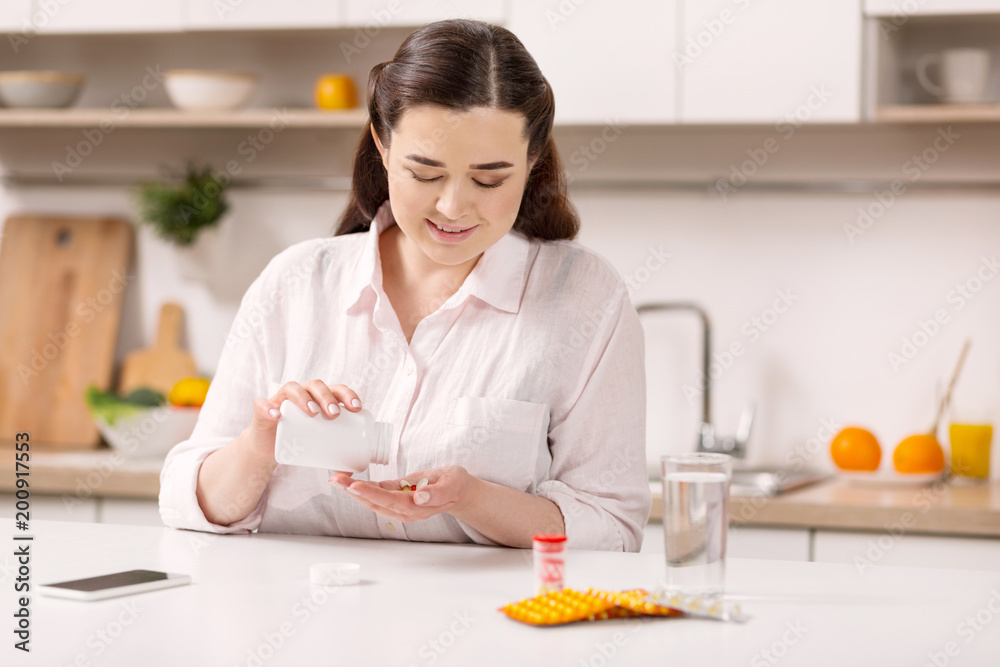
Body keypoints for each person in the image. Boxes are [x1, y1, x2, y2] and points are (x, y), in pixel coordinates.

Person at [159, 18, 650, 552]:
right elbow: (188, 500)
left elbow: (612, 529)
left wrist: (471, 499)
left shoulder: (585, 299)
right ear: (382, 145)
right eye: (425, 173)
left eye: (490, 179)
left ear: (532, 162)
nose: (454, 207)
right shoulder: (295, 284)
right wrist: (259, 446)